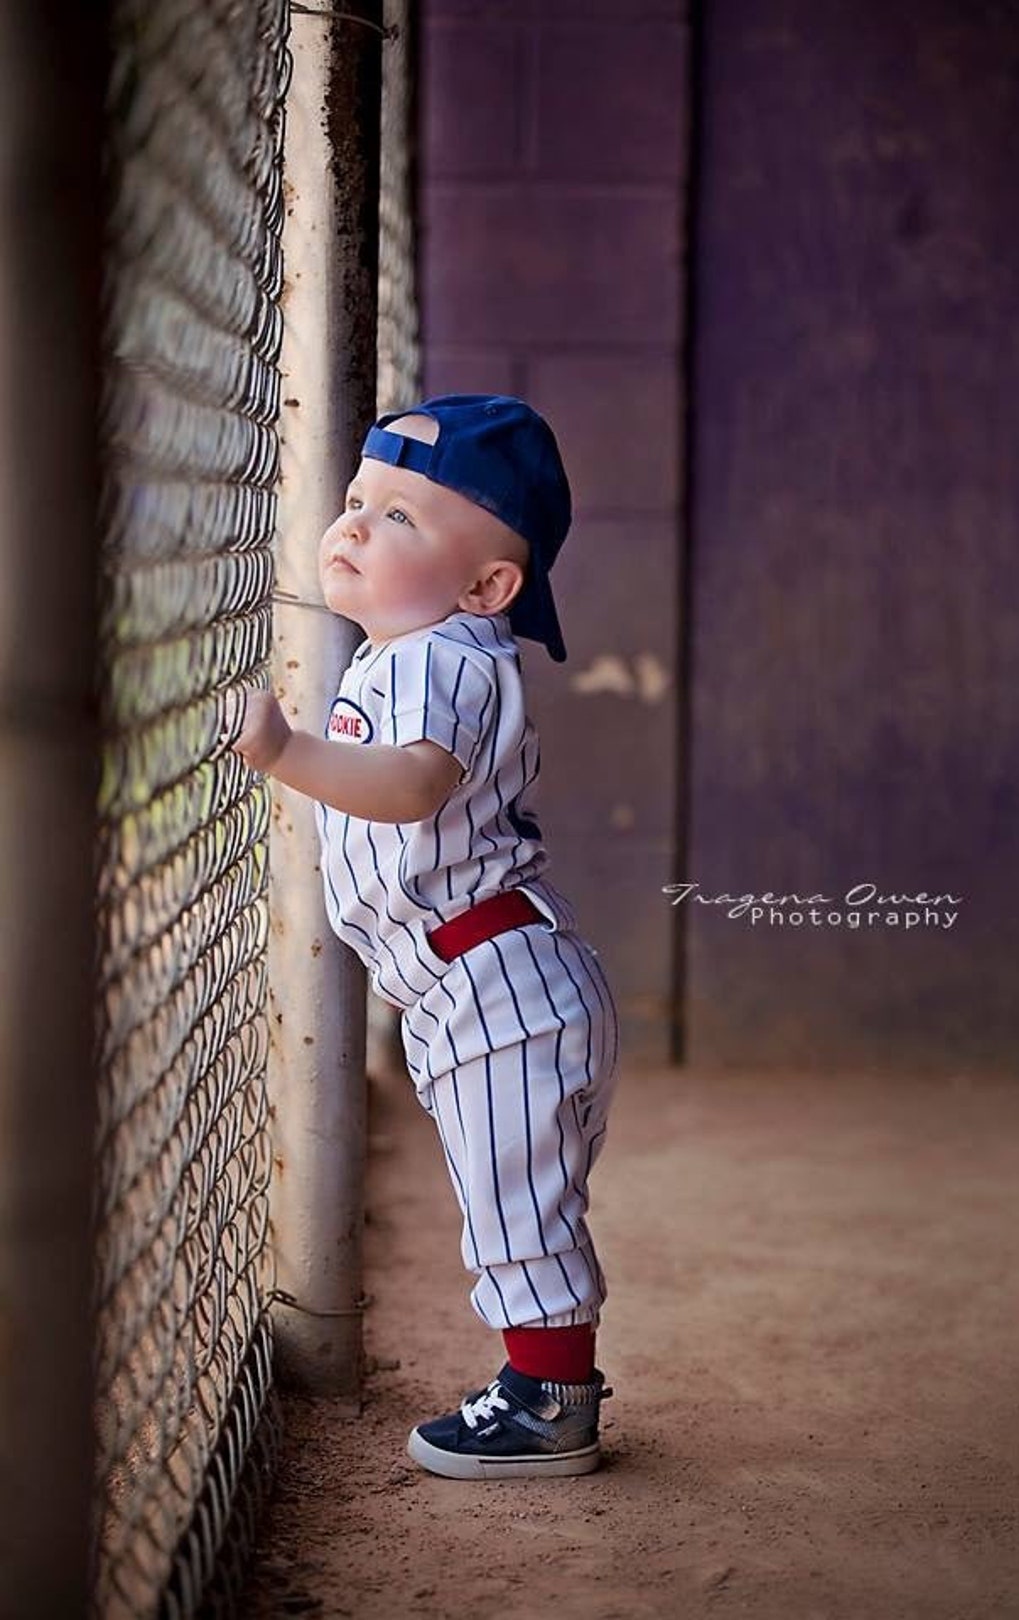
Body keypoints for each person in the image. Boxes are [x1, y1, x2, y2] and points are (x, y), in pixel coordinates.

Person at [232, 394, 620, 1479]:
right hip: (474, 983)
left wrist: (284, 752)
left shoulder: (452, 656)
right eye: (357, 502)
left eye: (401, 516)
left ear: (487, 586)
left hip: (498, 987)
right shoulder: (404, 651)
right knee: (513, 1198)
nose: (352, 527)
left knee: (516, 1209)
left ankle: (549, 1405)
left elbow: (407, 787)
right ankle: (548, 1386)